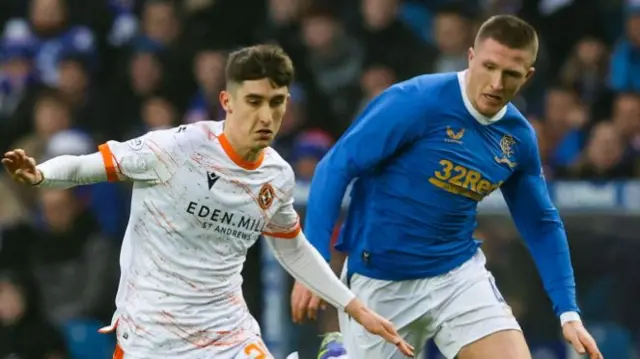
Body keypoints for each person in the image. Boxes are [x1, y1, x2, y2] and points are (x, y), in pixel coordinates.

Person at [2, 44, 414, 359]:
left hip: (227, 331)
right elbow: (85, 166)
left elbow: (293, 247)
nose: (266, 116)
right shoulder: (175, 149)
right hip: (151, 335)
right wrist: (41, 176)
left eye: (277, 102)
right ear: (227, 101)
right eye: (254, 101)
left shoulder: (276, 175)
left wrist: (354, 307)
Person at [291, 15, 603, 359]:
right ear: (471, 57)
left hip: (457, 276)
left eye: (511, 74)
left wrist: (568, 312)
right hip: (382, 280)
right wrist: (316, 263)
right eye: (489, 66)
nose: (496, 83)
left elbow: (541, 223)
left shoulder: (517, 138)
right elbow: (335, 167)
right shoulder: (415, 101)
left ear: (527, 76)